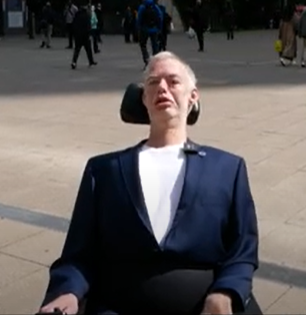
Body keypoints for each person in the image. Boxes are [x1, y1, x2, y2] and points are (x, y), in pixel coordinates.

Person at [40, 51, 261, 315]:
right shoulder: (104, 170)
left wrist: (225, 293)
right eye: (153, 83)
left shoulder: (227, 168)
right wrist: (67, 291)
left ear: (193, 96)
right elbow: (78, 254)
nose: (162, 88)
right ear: (144, 98)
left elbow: (242, 250)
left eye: (173, 81)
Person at [136, 0, 163, 68]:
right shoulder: (155, 6)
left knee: (143, 45)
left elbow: (139, 18)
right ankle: (156, 61)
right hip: (154, 29)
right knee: (155, 46)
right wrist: (159, 28)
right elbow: (160, 17)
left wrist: (139, 28)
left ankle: (147, 60)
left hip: (144, 29)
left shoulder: (142, 7)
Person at [70, 2, 97, 70]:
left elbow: (74, 25)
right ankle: (91, 61)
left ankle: (74, 62)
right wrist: (89, 34)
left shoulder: (77, 15)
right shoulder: (87, 16)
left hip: (78, 36)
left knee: (77, 50)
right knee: (88, 49)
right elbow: (88, 26)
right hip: (85, 35)